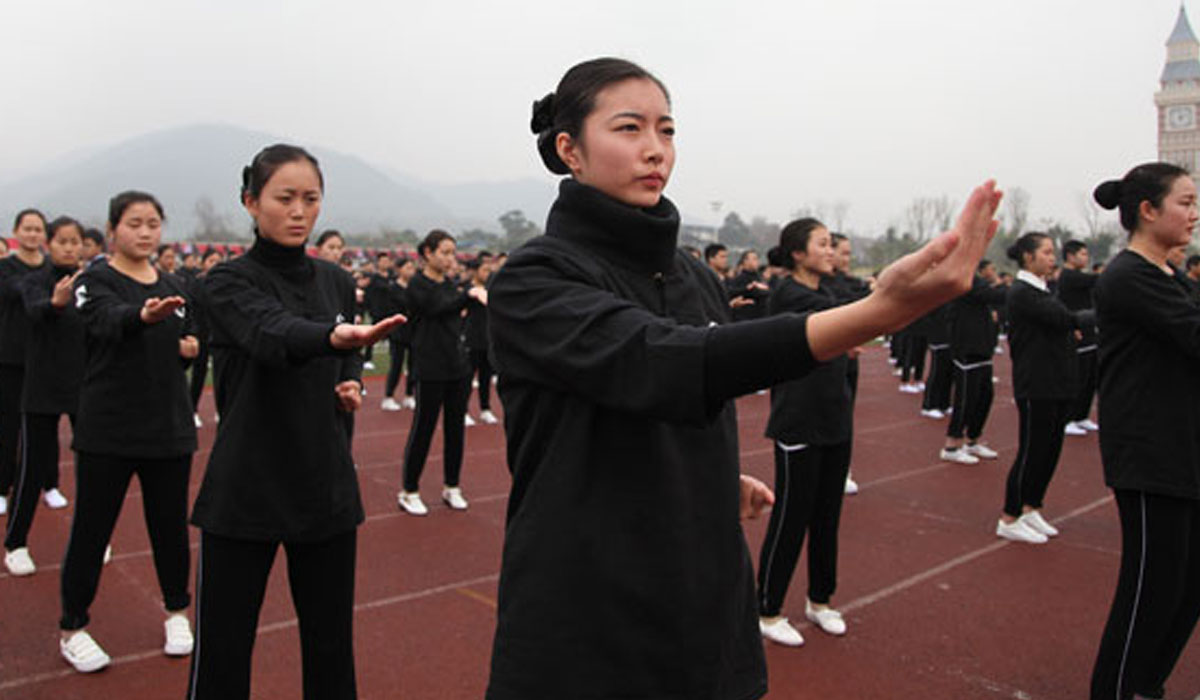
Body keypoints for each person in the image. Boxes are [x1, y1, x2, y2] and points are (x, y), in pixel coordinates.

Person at [484, 56, 1001, 700]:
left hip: (703, 599)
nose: (655, 150)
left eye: (667, 130)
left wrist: (707, 478)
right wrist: (878, 313)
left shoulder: (691, 275)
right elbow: (663, 361)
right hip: (587, 610)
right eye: (629, 129)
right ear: (570, 150)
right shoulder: (534, 279)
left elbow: (686, 402)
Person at [187, 144, 404, 699]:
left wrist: (350, 374)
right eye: (284, 198)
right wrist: (331, 338)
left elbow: (349, 349)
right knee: (224, 652)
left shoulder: (334, 281)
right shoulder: (227, 282)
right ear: (251, 202)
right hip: (246, 488)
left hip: (323, 485)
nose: (299, 211)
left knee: (331, 648)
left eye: (310, 198)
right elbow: (271, 332)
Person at [59, 191, 198, 673]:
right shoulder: (96, 279)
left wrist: (191, 345)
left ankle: (177, 612)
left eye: (153, 223)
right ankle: (73, 626)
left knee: (170, 529)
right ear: (113, 228)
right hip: (109, 429)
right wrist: (142, 316)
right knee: (92, 529)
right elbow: (101, 321)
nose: (145, 232)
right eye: (135, 223)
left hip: (168, 427)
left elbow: (189, 335)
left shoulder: (175, 283)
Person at [1089, 163, 1200, 700]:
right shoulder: (1129, 275)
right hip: (1150, 450)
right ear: (1148, 211)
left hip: (1183, 445)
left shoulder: (1169, 275)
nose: (1194, 213)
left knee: (1186, 583)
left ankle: (1146, 685)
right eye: (1185, 201)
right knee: (1149, 589)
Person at [756, 218, 855, 647]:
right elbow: (846, 321)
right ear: (798, 253)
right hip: (798, 419)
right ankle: (768, 608)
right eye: (823, 244)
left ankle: (821, 600)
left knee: (828, 515)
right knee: (792, 515)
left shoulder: (826, 293)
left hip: (835, 416)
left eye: (833, 244)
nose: (831, 251)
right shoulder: (789, 296)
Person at [996, 232, 1091, 544]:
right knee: (1032, 450)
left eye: (1053, 253)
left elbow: (1060, 324)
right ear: (1028, 257)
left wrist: (1069, 328)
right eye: (1047, 253)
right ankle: (1010, 516)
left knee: (1050, 449)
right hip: (1037, 383)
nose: (1053, 258)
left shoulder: (1043, 289)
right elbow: (1065, 319)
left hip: (1057, 381)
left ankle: (1031, 505)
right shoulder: (1023, 292)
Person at [3, 217, 85, 575]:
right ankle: (16, 542)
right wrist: (55, 303)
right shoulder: (33, 280)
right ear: (50, 244)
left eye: (75, 241)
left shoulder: (92, 283)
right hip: (41, 384)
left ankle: (91, 539)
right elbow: (34, 310)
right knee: (32, 465)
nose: (69, 247)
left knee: (95, 467)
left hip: (84, 385)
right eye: (62, 241)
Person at [396, 230, 481, 515]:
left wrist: (467, 297)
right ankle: (409, 490)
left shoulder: (450, 285)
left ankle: (452, 486)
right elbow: (436, 307)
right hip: (430, 366)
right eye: (444, 252)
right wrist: (468, 296)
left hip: (457, 366)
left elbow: (454, 311)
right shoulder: (417, 286)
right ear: (428, 253)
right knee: (424, 428)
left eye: (452, 253)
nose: (449, 258)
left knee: (456, 429)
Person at [0, 210, 50, 518]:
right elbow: (14, 291)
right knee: (8, 425)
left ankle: (43, 483)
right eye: (27, 229)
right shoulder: (6, 267)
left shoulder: (49, 267)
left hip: (42, 359)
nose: (33, 234)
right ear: (17, 232)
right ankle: (2, 485)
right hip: (9, 357)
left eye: (37, 229)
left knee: (39, 429)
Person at [939, 259, 1007, 464]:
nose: (992, 272)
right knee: (966, 398)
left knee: (985, 396)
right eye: (990, 269)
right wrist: (1002, 283)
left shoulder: (975, 282)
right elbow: (996, 295)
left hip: (981, 349)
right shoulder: (966, 280)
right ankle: (951, 445)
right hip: (968, 348)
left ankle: (972, 440)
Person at [1057, 239, 1100, 435]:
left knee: (1090, 377)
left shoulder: (1079, 276)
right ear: (1070, 256)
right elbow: (1095, 280)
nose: (1086, 257)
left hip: (1090, 330)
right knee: (1078, 377)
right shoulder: (1068, 276)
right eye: (1082, 254)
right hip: (1077, 331)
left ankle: (1081, 416)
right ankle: (1068, 419)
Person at [188, 248, 225, 428]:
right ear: (203, 263)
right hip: (201, 334)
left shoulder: (226, 285)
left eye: (218, 261)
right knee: (199, 373)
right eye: (211, 261)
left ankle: (221, 409)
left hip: (220, 335)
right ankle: (192, 410)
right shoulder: (197, 284)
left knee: (221, 373)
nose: (215, 264)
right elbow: (193, 310)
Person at [463, 257, 499, 425]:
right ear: (476, 271)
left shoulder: (490, 289)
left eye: (488, 270)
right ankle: (463, 411)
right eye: (484, 270)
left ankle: (485, 409)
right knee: (468, 377)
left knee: (485, 377)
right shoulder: (468, 290)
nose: (488, 274)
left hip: (487, 339)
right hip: (472, 339)